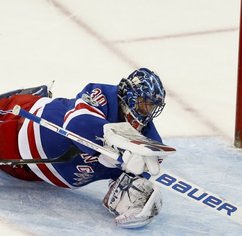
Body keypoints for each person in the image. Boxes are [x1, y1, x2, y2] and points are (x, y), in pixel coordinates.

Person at [0, 68, 168, 228]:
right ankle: (28, 96)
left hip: (33, 171)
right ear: (130, 96)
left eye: (151, 108)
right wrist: (114, 141)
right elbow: (77, 122)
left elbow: (122, 189)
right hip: (19, 127)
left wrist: (139, 197)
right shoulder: (104, 95)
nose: (146, 113)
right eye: (143, 104)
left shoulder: (146, 142)